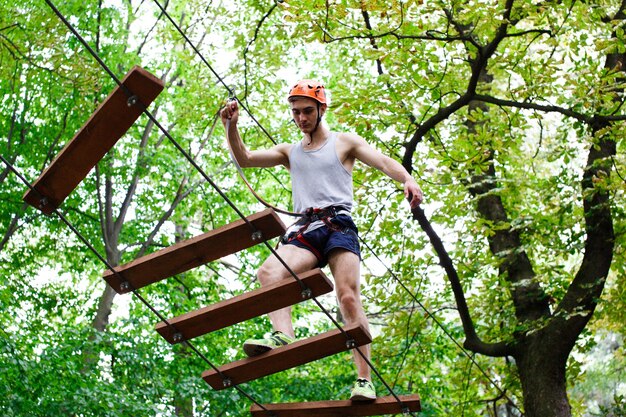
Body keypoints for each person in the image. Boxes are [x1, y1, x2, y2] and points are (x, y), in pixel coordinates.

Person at [220, 80, 423, 401]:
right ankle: (283, 332)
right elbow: (244, 157)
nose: (301, 118)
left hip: (339, 225)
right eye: (296, 112)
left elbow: (383, 161)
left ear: (321, 109)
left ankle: (364, 380)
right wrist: (231, 126)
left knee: (348, 297)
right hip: (305, 228)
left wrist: (407, 178)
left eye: (307, 111)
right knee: (269, 273)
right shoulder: (290, 152)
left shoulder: (344, 143)